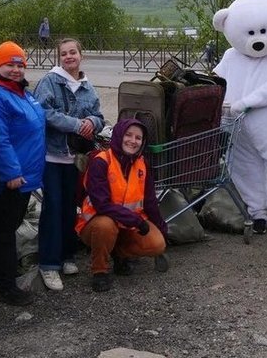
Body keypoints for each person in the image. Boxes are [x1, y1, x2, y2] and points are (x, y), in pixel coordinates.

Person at [33, 38, 105, 291]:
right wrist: (76, 124)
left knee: (70, 208)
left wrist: (92, 124)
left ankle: (67, 256)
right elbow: (43, 112)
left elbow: (98, 115)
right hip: (53, 156)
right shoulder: (49, 82)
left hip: (76, 158)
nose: (68, 57)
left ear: (81, 55)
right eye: (64, 54)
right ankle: (49, 264)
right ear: (59, 57)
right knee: (52, 208)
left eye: (73, 52)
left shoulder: (87, 87)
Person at [0, 41, 46, 305]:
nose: (16, 70)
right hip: (9, 179)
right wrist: (10, 172)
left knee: (6, 228)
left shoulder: (20, 92)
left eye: (20, 65)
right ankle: (6, 286)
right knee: (3, 231)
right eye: (10, 64)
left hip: (25, 175)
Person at [75, 119, 168, 292]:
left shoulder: (142, 164)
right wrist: (136, 221)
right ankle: (100, 271)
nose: (133, 141)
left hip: (126, 225)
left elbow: (149, 202)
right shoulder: (101, 161)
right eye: (128, 135)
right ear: (118, 136)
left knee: (157, 244)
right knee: (105, 225)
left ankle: (120, 255)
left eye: (138, 138)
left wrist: (162, 228)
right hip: (95, 224)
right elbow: (102, 205)